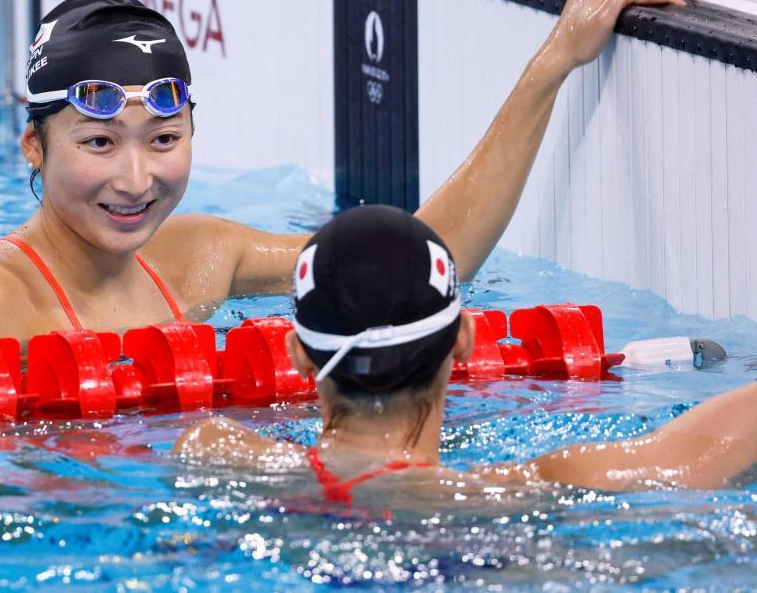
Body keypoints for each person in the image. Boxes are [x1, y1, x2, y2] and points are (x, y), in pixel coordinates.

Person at [0, 0, 685, 348]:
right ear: (34, 148)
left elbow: (415, 260)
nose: (137, 180)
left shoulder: (199, 255)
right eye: (100, 143)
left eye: (165, 139)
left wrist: (553, 62)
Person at [174, 205, 757, 500]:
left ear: (296, 353)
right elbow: (693, 453)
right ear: (466, 342)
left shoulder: (214, 449)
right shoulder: (537, 484)